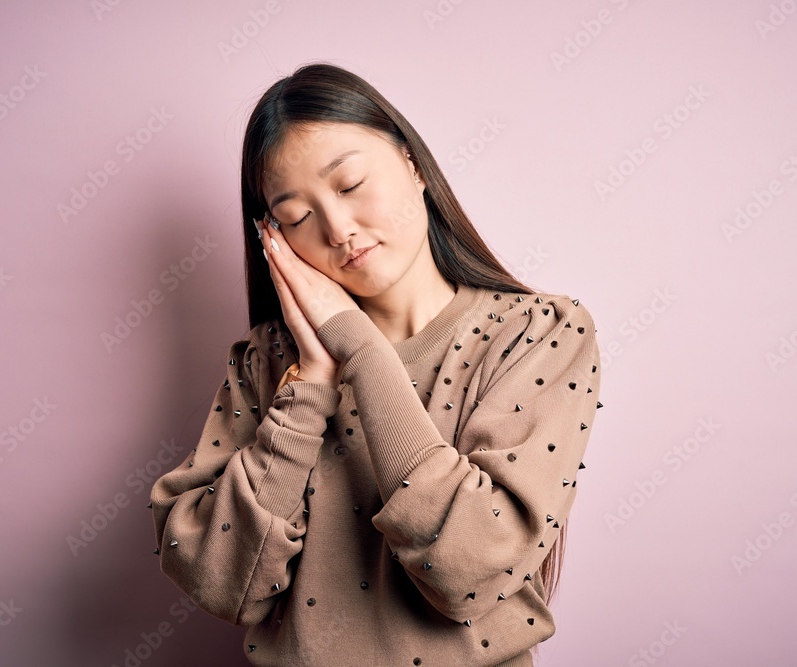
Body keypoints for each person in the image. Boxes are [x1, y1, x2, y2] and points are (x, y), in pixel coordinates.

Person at [149, 61, 602, 667]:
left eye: (350, 184)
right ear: (273, 237)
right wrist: (310, 383)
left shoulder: (538, 334)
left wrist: (358, 347)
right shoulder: (267, 361)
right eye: (297, 216)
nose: (338, 229)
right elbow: (217, 579)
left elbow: (468, 567)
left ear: (412, 164)